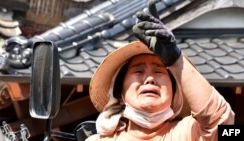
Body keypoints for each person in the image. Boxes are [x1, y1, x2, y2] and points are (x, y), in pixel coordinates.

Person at [86, 10, 235, 141]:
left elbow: (222, 124)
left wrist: (176, 59)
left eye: (159, 71)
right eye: (138, 71)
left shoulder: (189, 132)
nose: (150, 79)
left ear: (174, 93)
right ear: (120, 92)